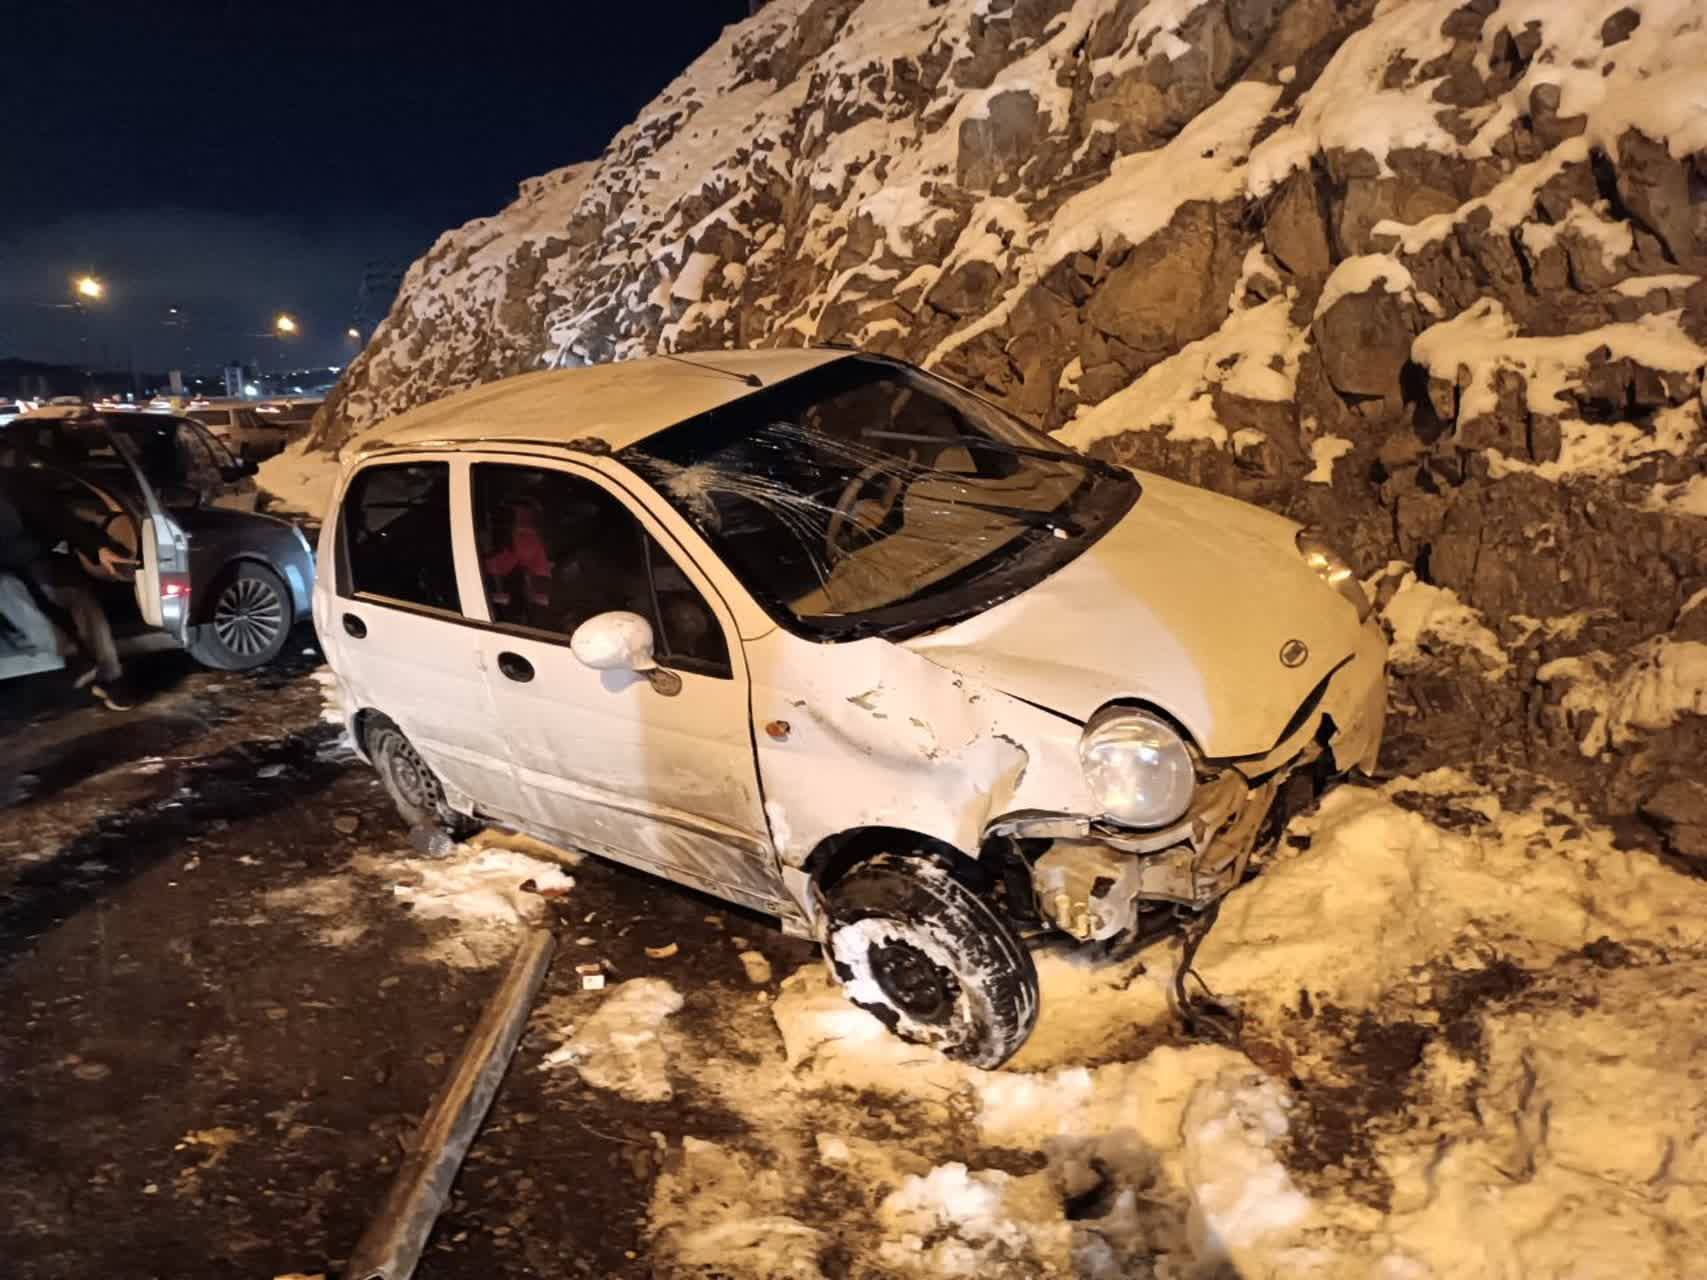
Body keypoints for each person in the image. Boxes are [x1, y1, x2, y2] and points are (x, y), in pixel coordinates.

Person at [0, 468, 138, 711]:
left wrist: (98, 548)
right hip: (4, 573)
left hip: (32, 557)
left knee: (77, 593)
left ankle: (109, 676)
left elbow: (57, 517)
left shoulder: (11, 481)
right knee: (8, 588)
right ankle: (72, 654)